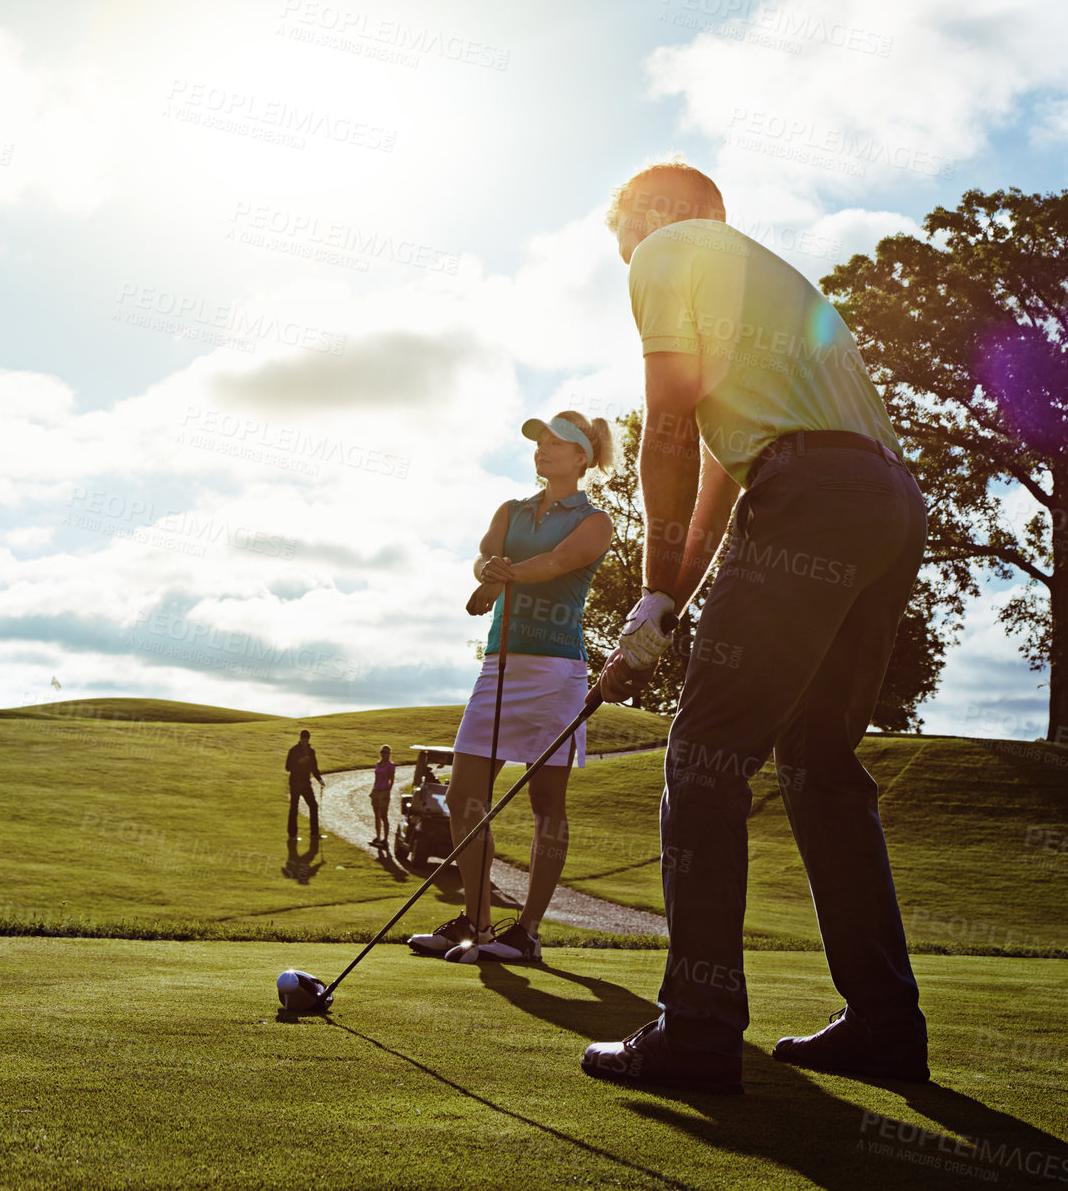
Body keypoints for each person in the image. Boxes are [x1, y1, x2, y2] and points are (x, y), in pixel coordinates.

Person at [580, 159, 929, 1097]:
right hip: (887, 504)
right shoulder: (767, 280)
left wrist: (650, 589)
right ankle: (886, 1025)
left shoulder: (665, 248)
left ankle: (696, 1030)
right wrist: (667, 602)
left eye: (624, 237)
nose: (626, 259)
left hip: (812, 494)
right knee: (818, 767)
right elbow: (723, 484)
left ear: (650, 213)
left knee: (703, 759)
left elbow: (665, 426)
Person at [409, 412, 614, 965]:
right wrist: (489, 571)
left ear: (582, 458)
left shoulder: (596, 522)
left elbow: (556, 563)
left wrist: (498, 578)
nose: (544, 450)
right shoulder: (511, 510)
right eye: (540, 442)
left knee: (547, 802)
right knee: (463, 796)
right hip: (498, 664)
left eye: (558, 443)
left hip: (554, 672)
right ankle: (477, 921)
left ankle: (525, 932)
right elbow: (485, 554)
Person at [285, 729, 323, 842]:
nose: (305, 742)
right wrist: (299, 762)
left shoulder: (311, 752)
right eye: (303, 740)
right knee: (294, 808)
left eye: (306, 740)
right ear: (300, 738)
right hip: (295, 783)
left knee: (314, 806)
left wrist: (320, 780)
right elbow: (287, 767)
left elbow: (314, 768)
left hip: (306, 783)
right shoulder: (293, 751)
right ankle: (292, 835)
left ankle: (314, 834)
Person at [370, 744, 396, 849]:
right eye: (382, 752)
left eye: (386, 752)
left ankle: (385, 839)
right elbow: (376, 779)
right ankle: (378, 837)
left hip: (384, 791)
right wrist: (373, 790)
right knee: (377, 815)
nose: (384, 754)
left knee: (383, 816)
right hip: (376, 790)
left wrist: (387, 792)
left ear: (389, 754)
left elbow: (392, 780)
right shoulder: (378, 764)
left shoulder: (390, 766)